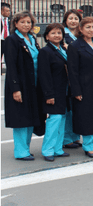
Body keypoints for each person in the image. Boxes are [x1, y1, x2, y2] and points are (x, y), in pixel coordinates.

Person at [67, 17, 93, 158]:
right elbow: (72, 71)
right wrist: (76, 91)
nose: (91, 30)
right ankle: (88, 145)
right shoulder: (75, 46)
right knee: (87, 117)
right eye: (88, 27)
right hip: (84, 87)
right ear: (80, 29)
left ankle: (92, 142)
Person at [5, 11, 43, 161]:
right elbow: (11, 66)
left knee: (29, 117)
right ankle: (21, 152)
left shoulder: (32, 39)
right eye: (23, 22)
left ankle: (25, 149)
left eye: (29, 22)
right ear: (15, 24)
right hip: (20, 85)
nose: (26, 25)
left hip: (32, 84)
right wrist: (15, 89)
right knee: (20, 119)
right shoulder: (12, 40)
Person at [38, 23, 70, 161]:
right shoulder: (45, 51)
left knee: (61, 120)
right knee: (54, 120)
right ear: (46, 36)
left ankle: (58, 148)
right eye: (53, 33)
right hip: (54, 92)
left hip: (64, 91)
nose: (57, 35)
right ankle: (48, 150)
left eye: (59, 33)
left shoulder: (62, 49)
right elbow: (44, 75)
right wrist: (48, 94)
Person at [61, 9, 83, 149]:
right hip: (67, 75)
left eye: (76, 18)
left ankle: (75, 136)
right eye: (71, 18)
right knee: (68, 108)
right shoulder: (62, 35)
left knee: (77, 108)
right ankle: (66, 138)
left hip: (80, 75)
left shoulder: (80, 36)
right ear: (66, 20)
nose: (73, 21)